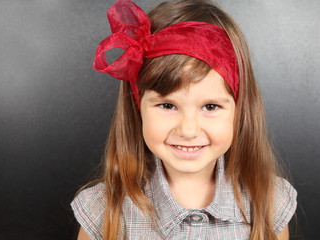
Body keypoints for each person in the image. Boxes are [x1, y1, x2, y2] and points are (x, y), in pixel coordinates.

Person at [71, 0, 297, 239]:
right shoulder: (102, 210)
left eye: (210, 106)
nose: (188, 130)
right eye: (167, 105)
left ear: (240, 109)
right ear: (137, 106)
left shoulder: (270, 202)